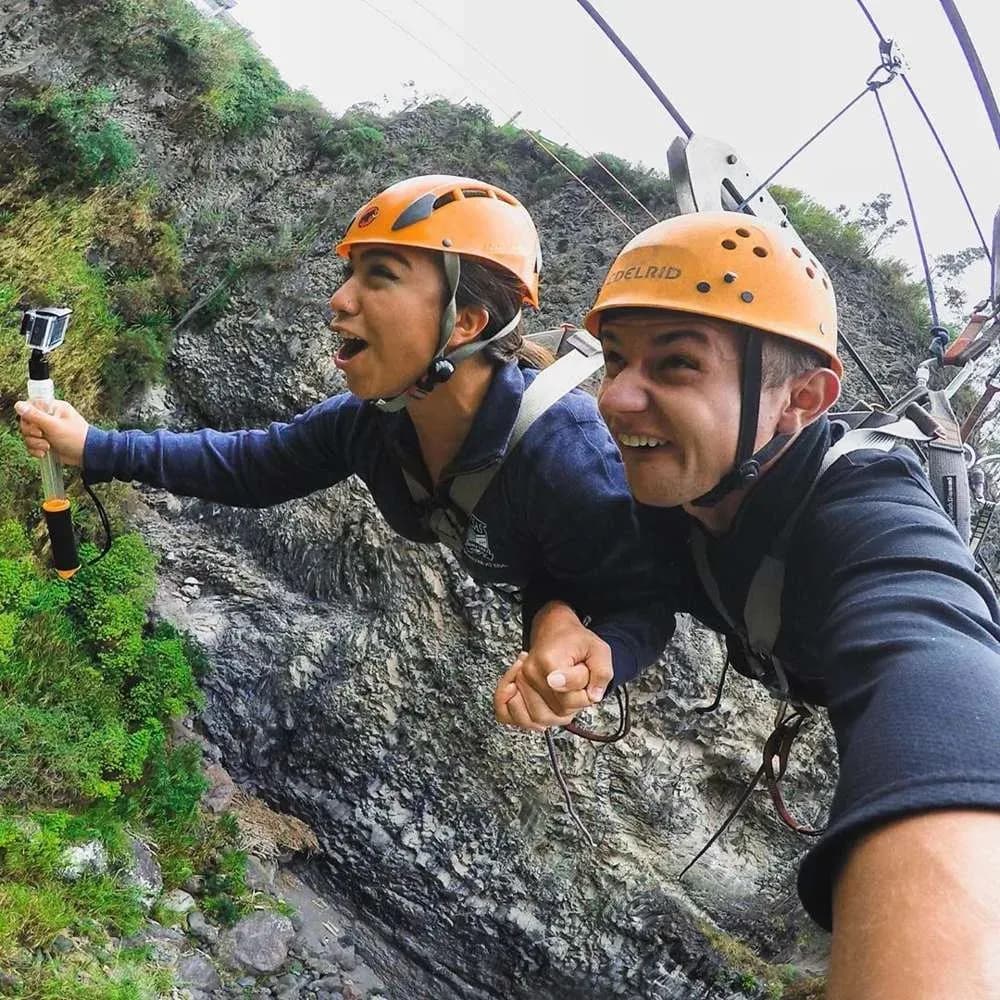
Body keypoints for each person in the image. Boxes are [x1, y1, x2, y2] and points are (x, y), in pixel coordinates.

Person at [497, 210, 1000, 998]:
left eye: (677, 365)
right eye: (618, 359)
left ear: (801, 399)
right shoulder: (674, 493)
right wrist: (573, 629)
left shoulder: (863, 509)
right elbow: (634, 590)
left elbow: (937, 668)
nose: (617, 399)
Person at [15, 174, 669, 694]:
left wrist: (594, 652)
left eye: (379, 276)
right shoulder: (374, 423)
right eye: (348, 274)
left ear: (465, 322)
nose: (340, 299)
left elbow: (641, 603)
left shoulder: (565, 454)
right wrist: (94, 445)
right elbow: (254, 465)